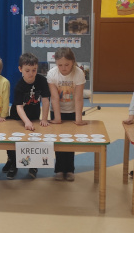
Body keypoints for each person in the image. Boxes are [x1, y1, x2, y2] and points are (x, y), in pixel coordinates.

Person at [6, 53, 50, 179]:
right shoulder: (19, 86)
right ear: (20, 69)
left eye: (34, 70)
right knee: (14, 141)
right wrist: (26, 122)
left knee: (34, 140)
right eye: (27, 70)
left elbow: (45, 100)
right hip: (18, 117)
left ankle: (33, 165)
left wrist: (44, 118)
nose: (31, 73)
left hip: (34, 116)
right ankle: (13, 164)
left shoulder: (42, 81)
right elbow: (19, 107)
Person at [47, 47, 86, 181]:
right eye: (60, 65)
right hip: (56, 110)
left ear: (73, 62)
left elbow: (79, 98)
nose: (63, 68)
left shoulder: (79, 73)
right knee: (58, 141)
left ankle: (69, 170)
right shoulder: (52, 74)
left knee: (70, 141)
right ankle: (59, 170)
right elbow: (54, 97)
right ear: (56, 63)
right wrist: (57, 118)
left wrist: (78, 119)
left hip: (72, 111)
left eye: (67, 65)